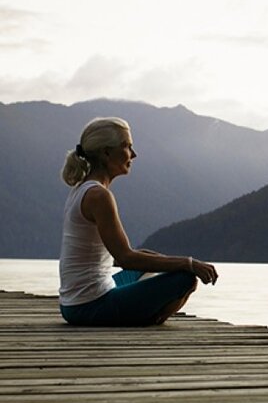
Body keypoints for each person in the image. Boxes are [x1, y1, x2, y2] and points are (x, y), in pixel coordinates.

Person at [58, 117, 218, 326]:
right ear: (106, 153)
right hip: (88, 306)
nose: (133, 154)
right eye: (127, 146)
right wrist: (188, 264)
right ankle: (149, 320)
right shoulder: (98, 196)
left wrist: (173, 264)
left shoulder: (81, 188)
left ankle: (141, 311)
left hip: (75, 302)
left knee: (151, 258)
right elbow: (125, 258)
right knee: (185, 279)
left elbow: (122, 258)